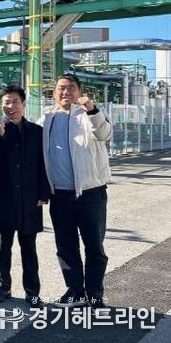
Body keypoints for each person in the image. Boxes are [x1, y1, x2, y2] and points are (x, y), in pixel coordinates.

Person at [40, 74, 112, 309]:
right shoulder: (47, 117)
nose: (66, 92)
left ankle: (95, 294)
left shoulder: (89, 114)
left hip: (90, 193)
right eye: (61, 88)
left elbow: (104, 134)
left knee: (94, 248)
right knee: (66, 247)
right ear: (54, 92)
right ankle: (75, 291)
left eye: (71, 87)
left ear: (79, 91)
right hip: (59, 195)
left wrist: (92, 110)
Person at [0, 85, 50, 309]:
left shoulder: (36, 131)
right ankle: (3, 286)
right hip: (4, 197)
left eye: (15, 101)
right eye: (6, 102)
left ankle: (32, 292)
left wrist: (43, 192)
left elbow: (43, 163)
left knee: (29, 248)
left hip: (29, 197)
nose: (10, 106)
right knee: (3, 247)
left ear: (23, 104)